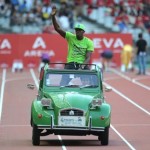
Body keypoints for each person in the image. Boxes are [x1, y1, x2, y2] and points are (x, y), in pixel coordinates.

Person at [51, 6, 94, 85]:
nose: (77, 32)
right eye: (76, 30)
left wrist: (82, 67)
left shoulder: (89, 42)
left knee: (90, 85)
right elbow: (57, 28)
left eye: (79, 30)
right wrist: (53, 17)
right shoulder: (70, 37)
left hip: (82, 64)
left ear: (83, 31)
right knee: (62, 85)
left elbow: (88, 57)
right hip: (70, 64)